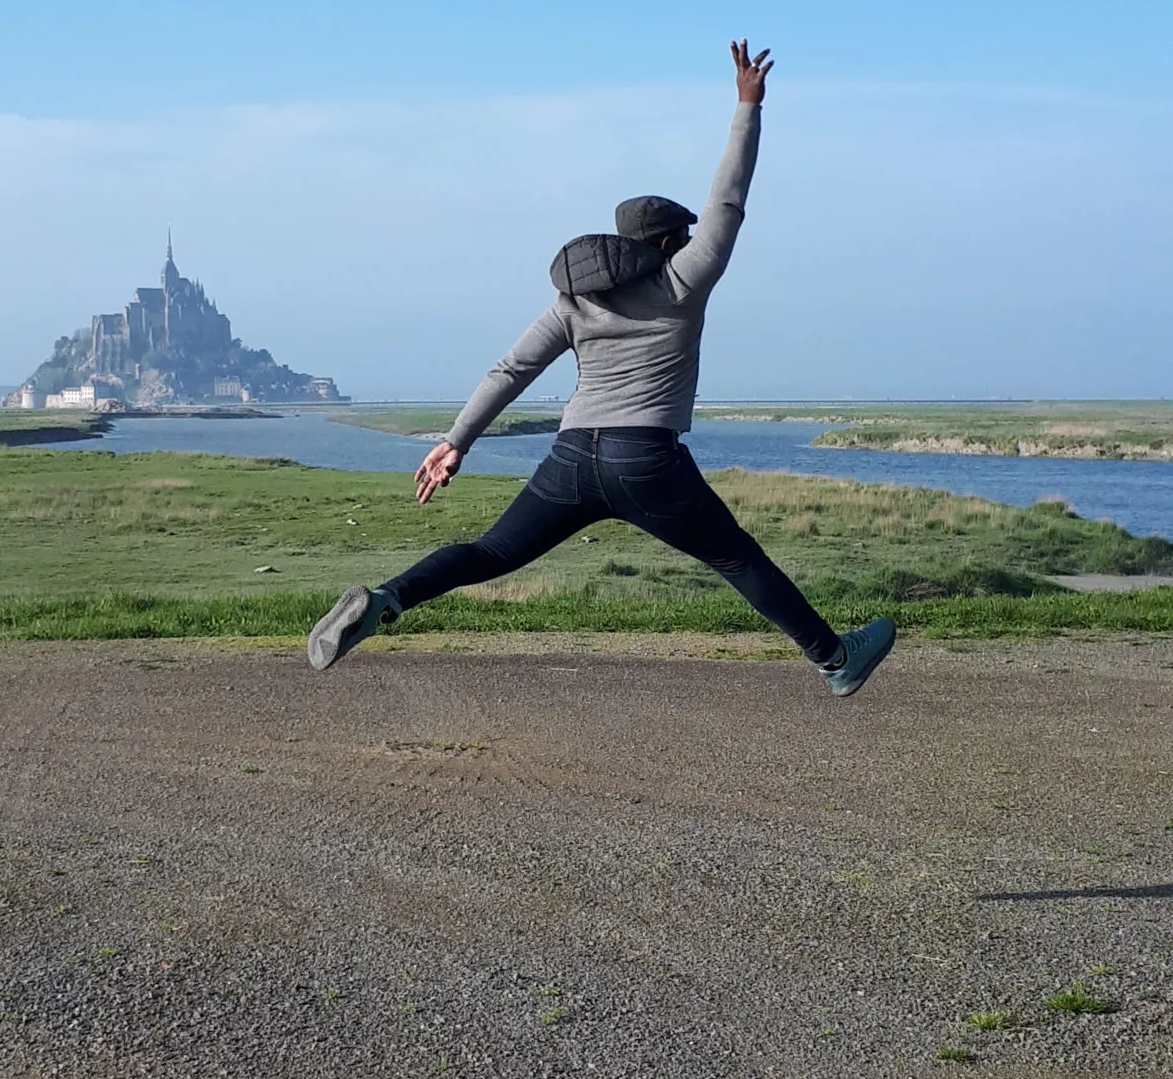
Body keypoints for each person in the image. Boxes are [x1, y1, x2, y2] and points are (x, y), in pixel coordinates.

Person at [308, 40, 895, 696]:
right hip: (646, 459)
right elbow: (728, 202)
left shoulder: (574, 301)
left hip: (571, 457)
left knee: (490, 553)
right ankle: (836, 660)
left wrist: (454, 442)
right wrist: (747, 106)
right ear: (671, 243)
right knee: (736, 557)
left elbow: (511, 370)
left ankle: (389, 598)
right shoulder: (683, 284)